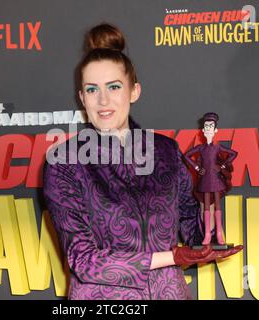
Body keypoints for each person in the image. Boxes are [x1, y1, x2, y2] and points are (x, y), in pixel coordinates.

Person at [43, 23, 242, 300]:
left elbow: (196, 235)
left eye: (114, 87)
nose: (103, 100)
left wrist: (212, 194)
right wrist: (171, 257)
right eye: (91, 90)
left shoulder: (166, 152)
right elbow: (84, 261)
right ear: (81, 98)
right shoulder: (65, 163)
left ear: (134, 91)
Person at [184, 112, 238, 245]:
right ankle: (207, 234)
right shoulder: (200, 148)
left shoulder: (218, 147)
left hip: (216, 180)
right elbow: (186, 156)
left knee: (217, 207)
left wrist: (223, 165)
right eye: (206, 126)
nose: (208, 129)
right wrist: (197, 168)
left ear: (215, 130)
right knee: (207, 207)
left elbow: (234, 153)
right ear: (203, 130)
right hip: (205, 180)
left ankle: (219, 233)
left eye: (211, 126)